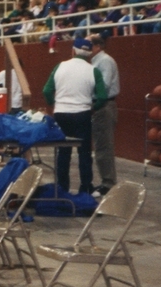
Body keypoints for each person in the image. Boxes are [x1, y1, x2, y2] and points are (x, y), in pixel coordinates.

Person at [43, 36, 107, 195]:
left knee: (63, 153)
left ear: (72, 51)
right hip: (82, 114)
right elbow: (103, 97)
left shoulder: (60, 66)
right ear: (89, 54)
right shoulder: (94, 71)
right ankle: (85, 187)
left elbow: (46, 91)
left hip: (61, 114)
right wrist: (93, 108)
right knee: (84, 153)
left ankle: (62, 187)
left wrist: (54, 104)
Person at [89, 34, 120, 197]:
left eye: (89, 45)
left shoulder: (105, 61)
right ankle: (106, 180)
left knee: (103, 144)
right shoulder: (96, 62)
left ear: (97, 46)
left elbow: (105, 85)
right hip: (98, 104)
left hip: (104, 104)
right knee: (100, 143)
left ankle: (108, 183)